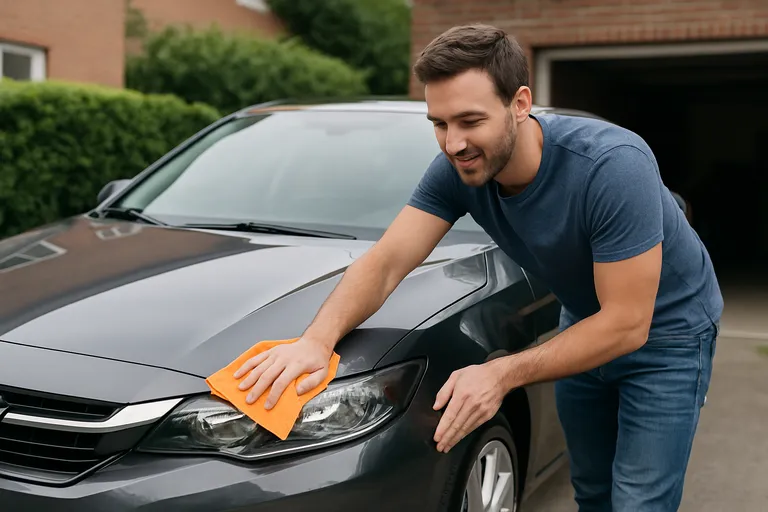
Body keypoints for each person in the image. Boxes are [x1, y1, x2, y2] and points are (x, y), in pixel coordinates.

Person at [233, 24, 723, 511]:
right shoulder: (456, 170)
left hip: (668, 336)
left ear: (521, 103)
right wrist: (317, 340)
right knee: (593, 493)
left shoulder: (612, 165)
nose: (453, 143)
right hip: (585, 320)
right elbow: (385, 263)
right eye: (439, 124)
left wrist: (501, 374)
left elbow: (627, 324)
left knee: (639, 502)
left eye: (470, 121)